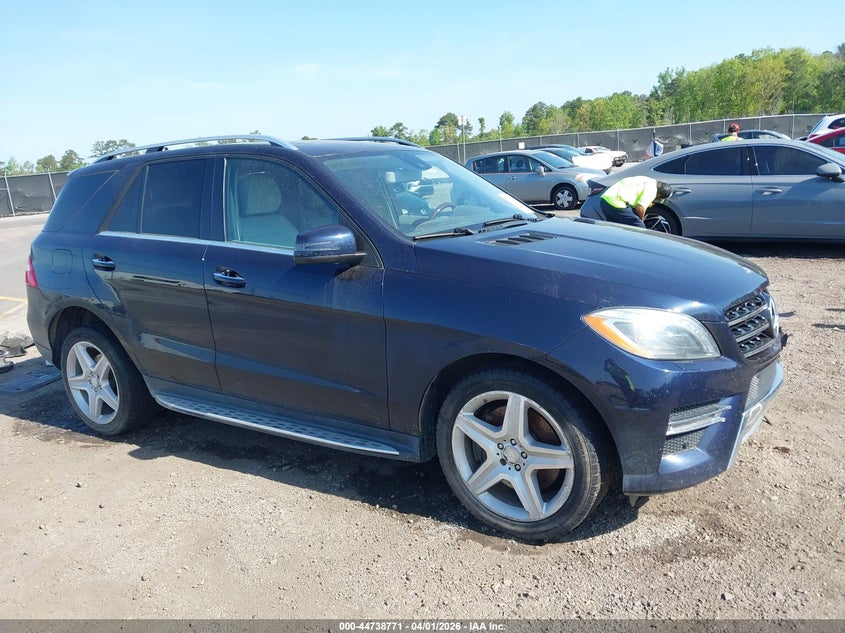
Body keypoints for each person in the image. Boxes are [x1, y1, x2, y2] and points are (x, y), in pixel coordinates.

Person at [599, 176, 672, 228]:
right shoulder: (652, 191)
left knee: (615, 228)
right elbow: (640, 208)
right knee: (639, 226)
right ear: (659, 194)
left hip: (605, 200)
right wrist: (641, 219)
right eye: (659, 198)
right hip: (617, 203)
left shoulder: (649, 181)